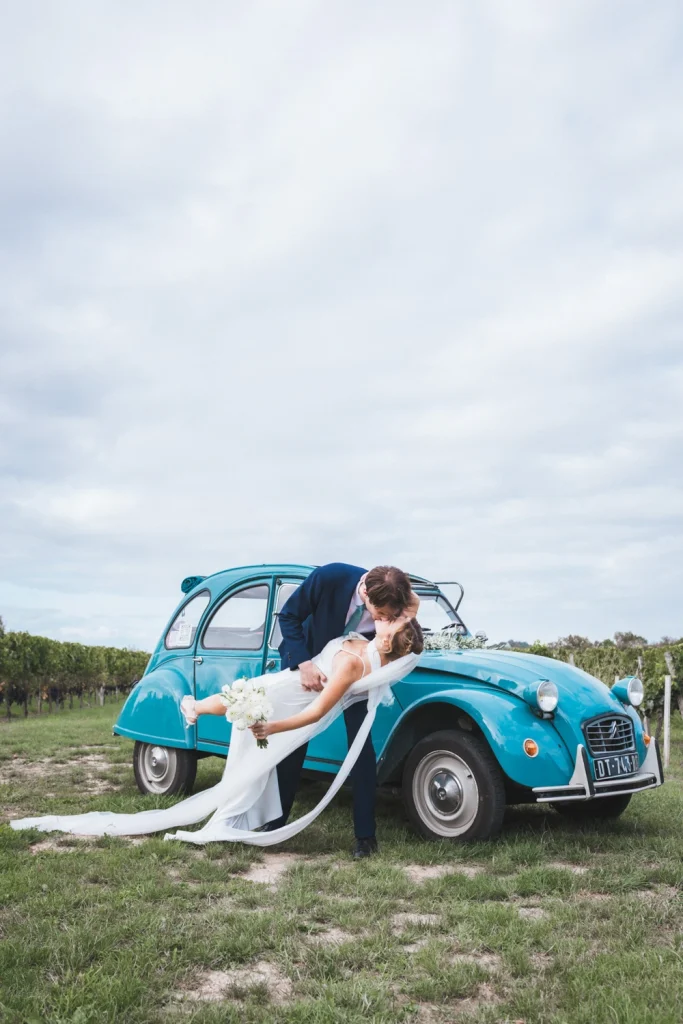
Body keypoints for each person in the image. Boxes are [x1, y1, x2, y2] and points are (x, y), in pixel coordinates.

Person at [9, 616, 422, 849]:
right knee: (244, 693)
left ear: (390, 641)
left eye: (387, 623)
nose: (380, 620)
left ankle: (196, 709)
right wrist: (404, 610)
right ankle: (196, 708)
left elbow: (317, 712)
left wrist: (273, 726)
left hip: (294, 699)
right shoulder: (376, 648)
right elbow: (407, 625)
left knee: (247, 697)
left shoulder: (356, 664)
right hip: (290, 683)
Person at [272, 563, 420, 858]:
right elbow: (288, 616)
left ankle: (366, 837)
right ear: (364, 592)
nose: (385, 620)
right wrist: (304, 664)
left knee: (361, 747)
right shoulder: (329, 577)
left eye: (390, 616)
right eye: (380, 614)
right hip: (311, 662)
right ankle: (276, 824)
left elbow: (410, 612)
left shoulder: (395, 596)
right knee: (293, 743)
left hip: (355, 671)